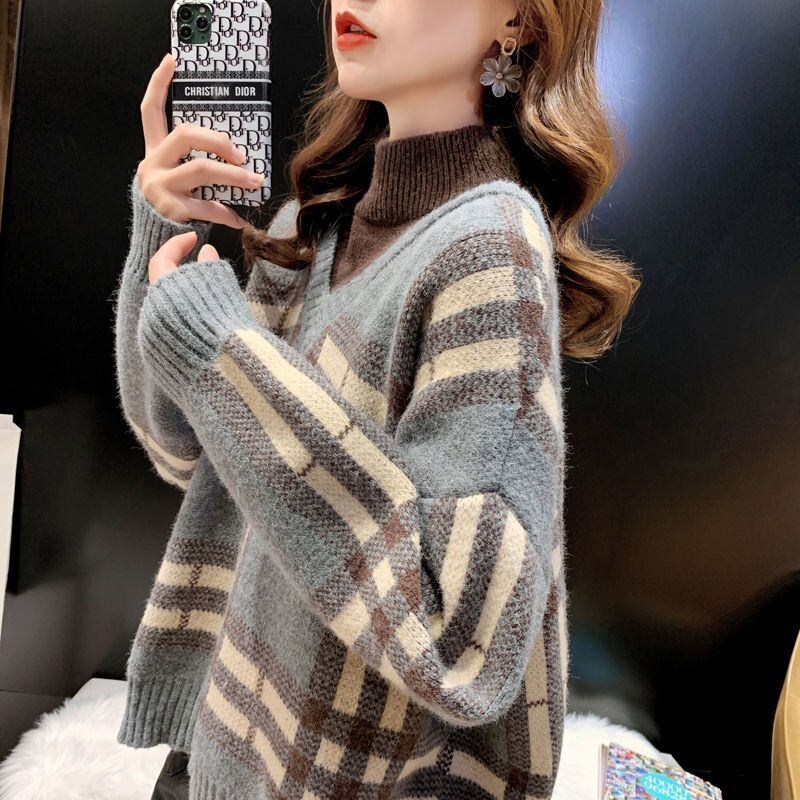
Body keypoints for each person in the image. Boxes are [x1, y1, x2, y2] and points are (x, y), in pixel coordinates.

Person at [114, 1, 639, 798]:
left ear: (519, 24)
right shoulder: (312, 226)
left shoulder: (490, 247)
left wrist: (219, 347)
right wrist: (163, 239)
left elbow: (461, 637)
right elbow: (186, 452)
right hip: (223, 747)